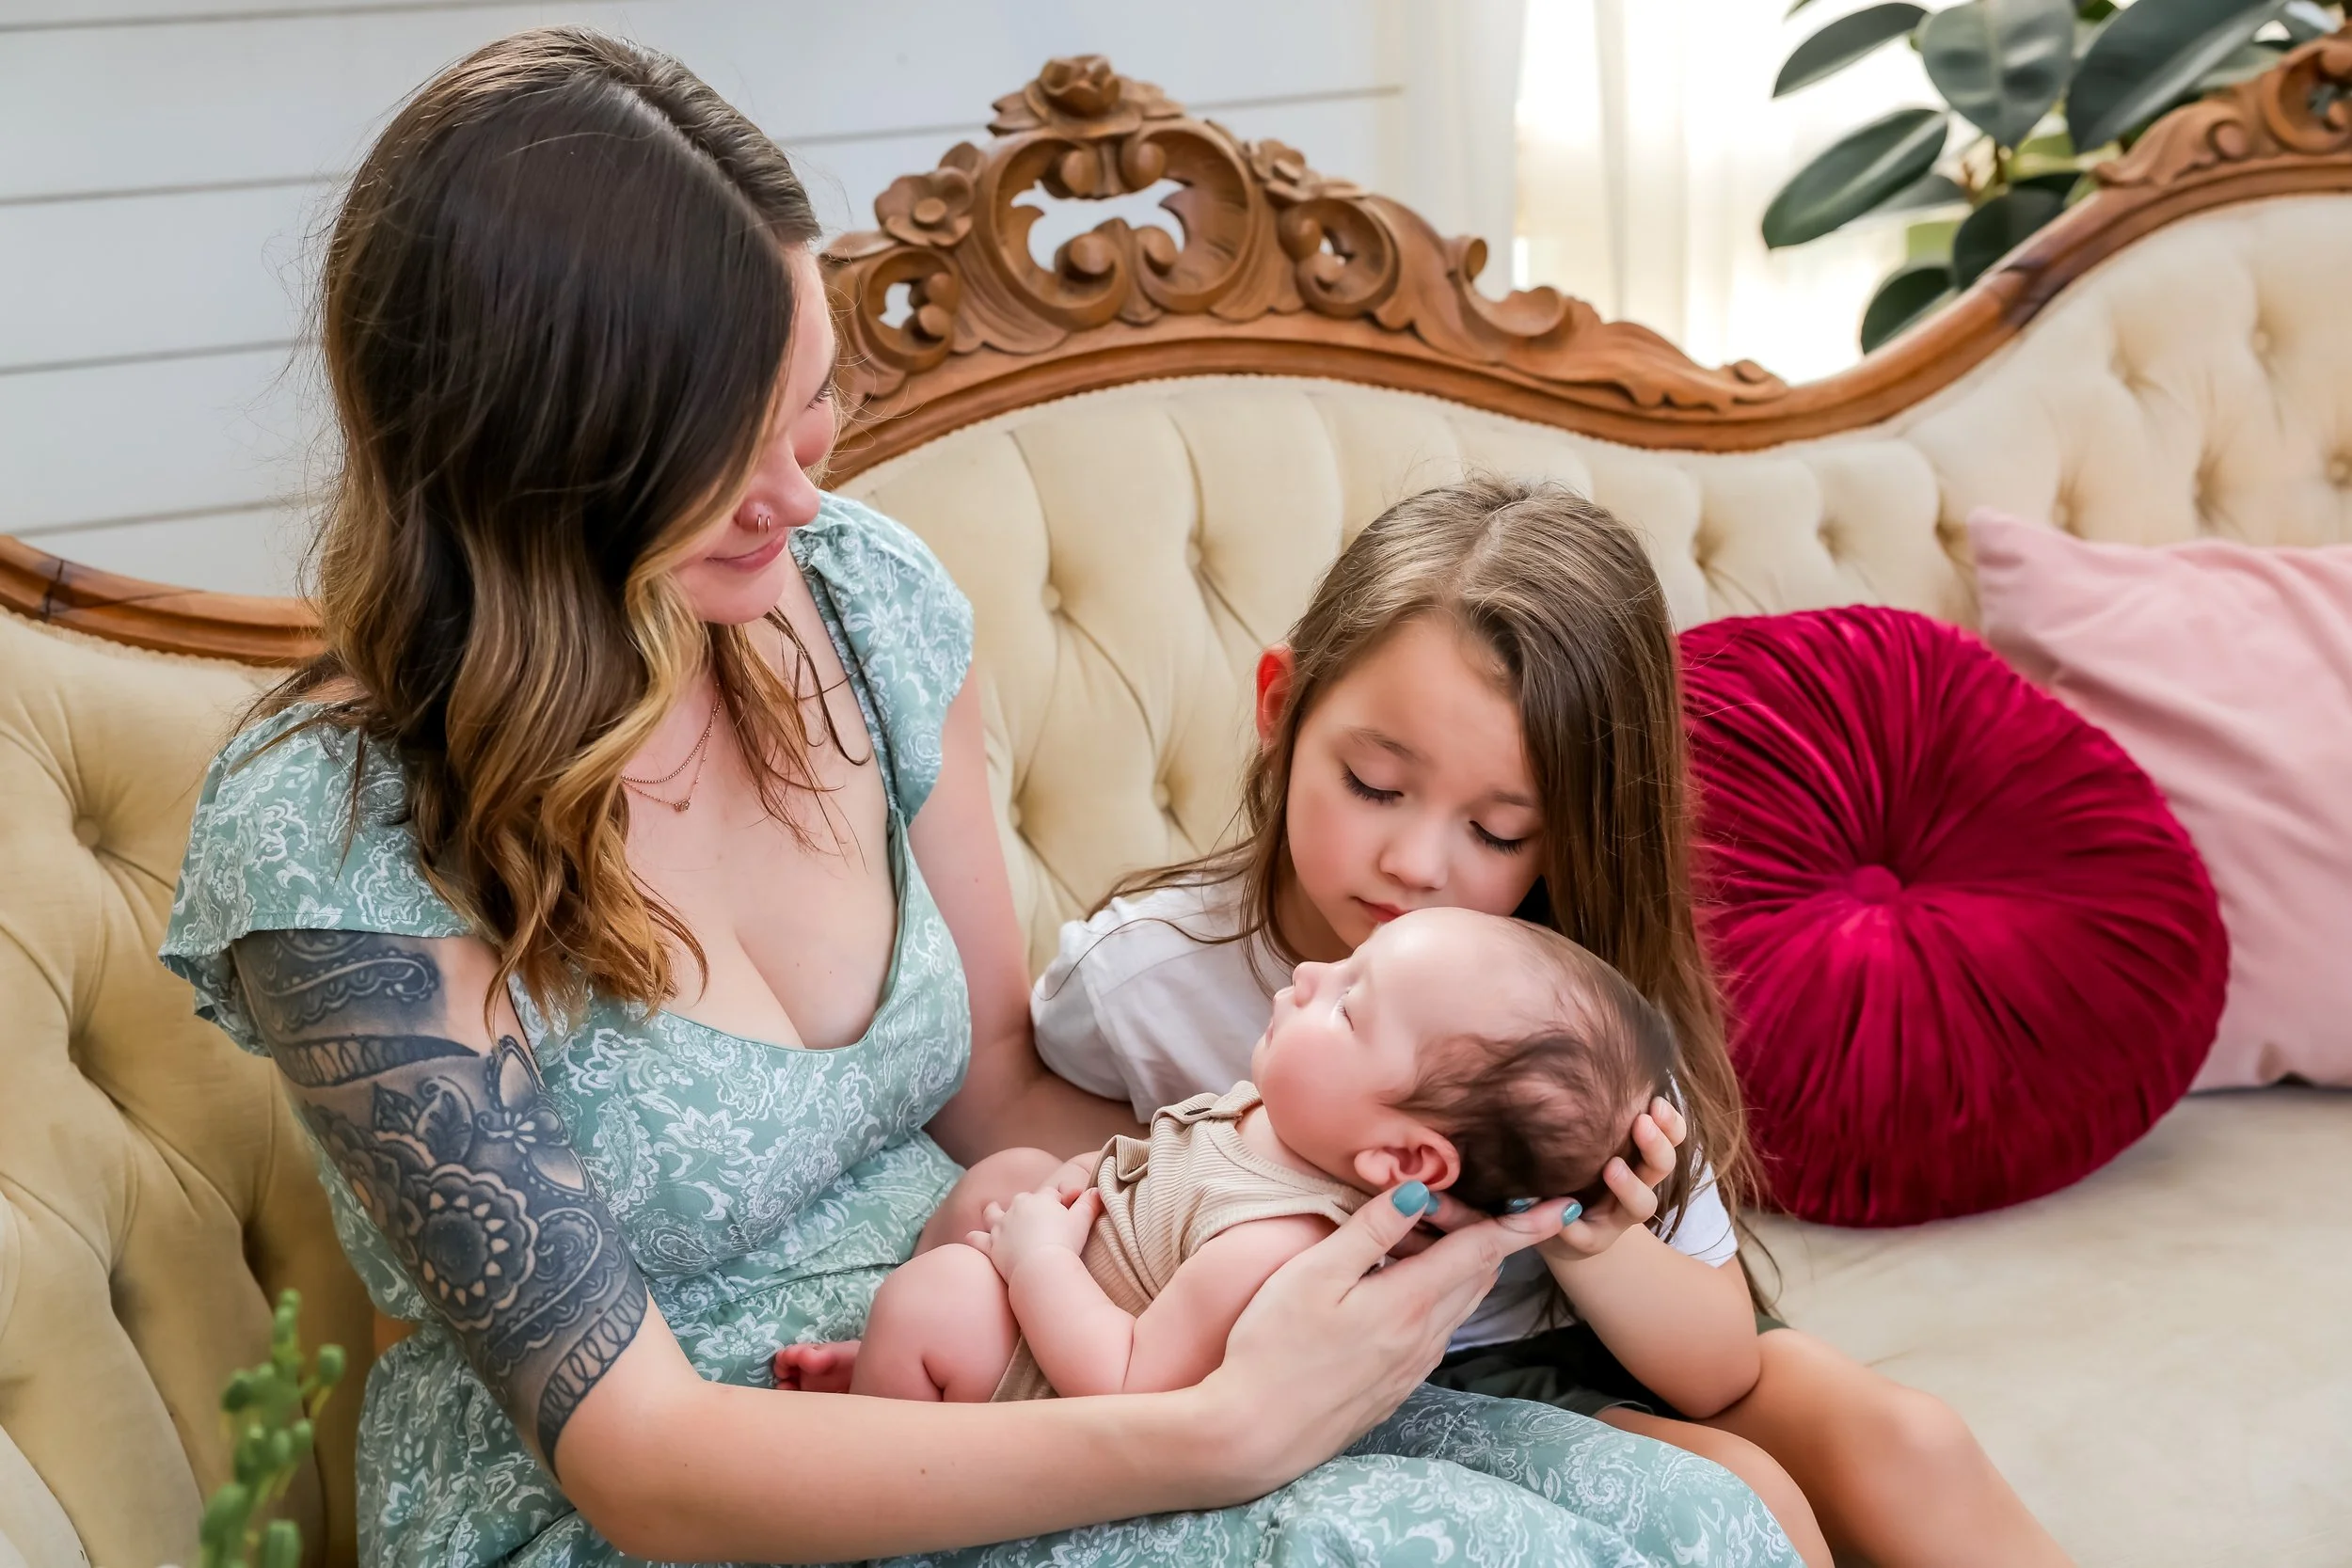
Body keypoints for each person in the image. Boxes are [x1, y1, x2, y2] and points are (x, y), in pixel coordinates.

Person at [158, 29, 1805, 1568]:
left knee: (1710, 1517)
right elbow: (639, 1458)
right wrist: (1214, 1427)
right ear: (534, 450)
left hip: (1030, 1321)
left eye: (811, 402)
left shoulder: (856, 607)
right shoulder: (342, 831)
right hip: (713, 1480)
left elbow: (999, 1089)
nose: (804, 489)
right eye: (731, 445)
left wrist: (1335, 1213)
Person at [1034, 477, 2076, 1568]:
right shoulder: (1145, 972)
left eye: (1495, 829)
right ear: (1279, 710)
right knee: (1744, 1496)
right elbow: (1046, 1164)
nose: (1416, 864)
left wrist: (1593, 1240)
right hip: (1394, 1388)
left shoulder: (1561, 1001)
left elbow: (1717, 1364)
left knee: (1916, 1444)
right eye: (1374, 783)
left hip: (1622, 1327)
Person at [845, 909, 1676, 1404]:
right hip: (1074, 1290)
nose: (1312, 973)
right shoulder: (1284, 1121)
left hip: (1067, 1390)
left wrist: (1037, 1260)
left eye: (1350, 1006)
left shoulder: (1281, 1243)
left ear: (1404, 1161)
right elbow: (1158, 1186)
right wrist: (1079, 1189)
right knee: (1004, 1173)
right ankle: (901, 1383)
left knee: (934, 1301)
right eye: (1347, 966)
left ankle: (894, 1443)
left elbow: (1127, 1381)